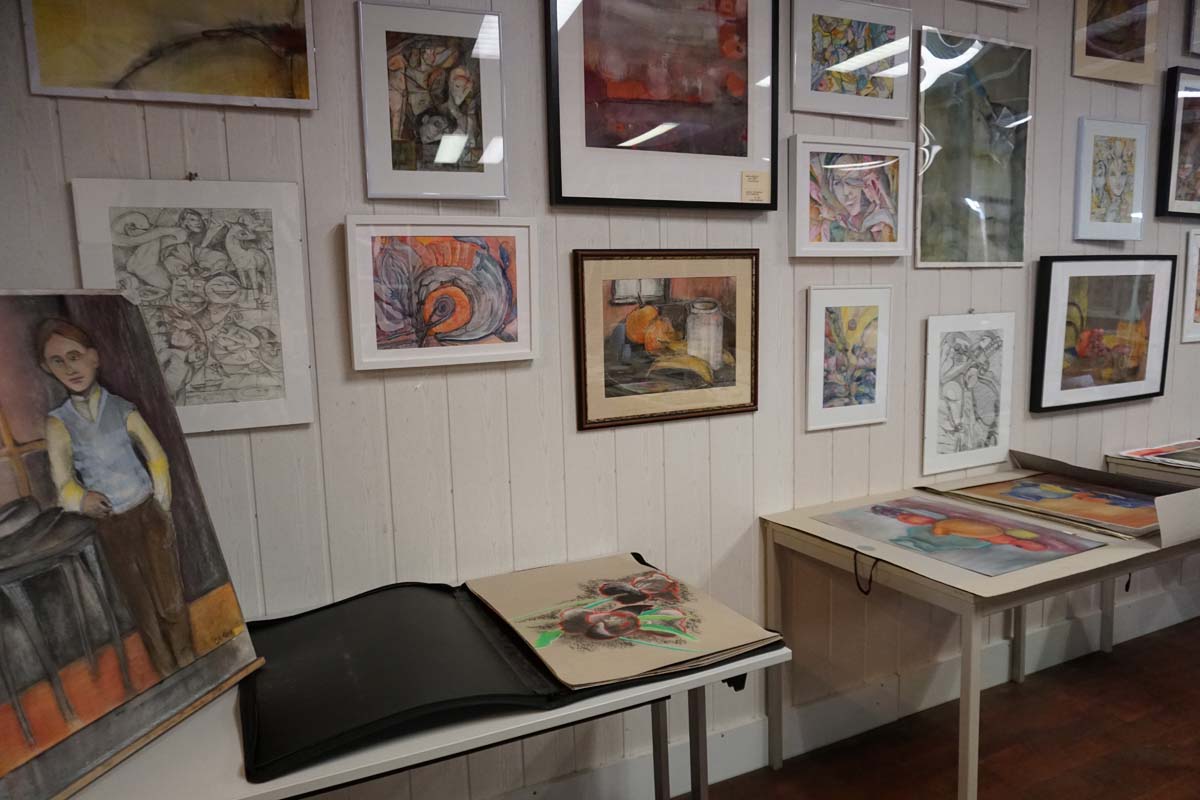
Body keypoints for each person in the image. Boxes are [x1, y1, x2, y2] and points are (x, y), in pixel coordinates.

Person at [39, 318, 195, 677]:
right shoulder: (58, 422)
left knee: (169, 597)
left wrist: (161, 504)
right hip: (110, 524)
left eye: (75, 356)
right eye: (57, 361)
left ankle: (187, 657)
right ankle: (166, 670)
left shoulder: (123, 408)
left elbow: (156, 457)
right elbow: (63, 483)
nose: (70, 368)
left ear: (93, 358)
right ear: (47, 368)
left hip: (148, 513)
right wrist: (81, 499)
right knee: (139, 602)